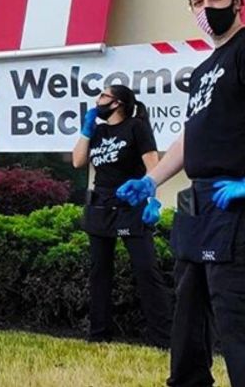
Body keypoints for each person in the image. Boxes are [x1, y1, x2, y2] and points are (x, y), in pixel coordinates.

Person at [117, 0, 245, 387]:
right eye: (198, 2)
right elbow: (191, 135)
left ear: (237, 1)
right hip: (197, 209)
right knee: (189, 314)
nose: (207, 9)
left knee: (241, 320)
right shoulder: (202, 72)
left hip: (236, 202)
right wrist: (152, 180)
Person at [72, 84, 172, 347]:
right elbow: (77, 161)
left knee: (146, 269)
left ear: (117, 103)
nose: (98, 99)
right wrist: (86, 131)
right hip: (100, 206)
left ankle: (164, 338)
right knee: (99, 271)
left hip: (130, 204)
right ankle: (99, 335)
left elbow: (153, 166)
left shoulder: (137, 126)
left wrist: (152, 200)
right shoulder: (99, 130)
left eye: (104, 95)